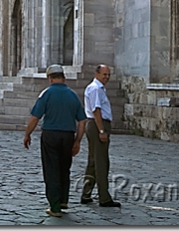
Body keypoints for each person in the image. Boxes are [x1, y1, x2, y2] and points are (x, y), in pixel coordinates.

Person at [23, 64, 87, 217]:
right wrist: (77, 141)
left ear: (50, 78)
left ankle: (55, 206)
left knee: (51, 169)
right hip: (68, 136)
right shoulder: (73, 95)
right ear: (63, 78)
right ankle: (63, 199)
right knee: (64, 168)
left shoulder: (46, 94)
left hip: (50, 135)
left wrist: (27, 134)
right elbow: (83, 121)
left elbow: (35, 117)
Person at [80, 64, 121, 208]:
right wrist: (102, 131)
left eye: (108, 75)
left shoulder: (97, 88)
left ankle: (86, 193)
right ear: (97, 74)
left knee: (93, 160)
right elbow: (96, 110)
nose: (107, 77)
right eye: (104, 74)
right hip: (97, 124)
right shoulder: (96, 88)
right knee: (101, 161)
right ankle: (104, 197)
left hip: (95, 124)